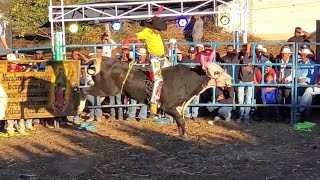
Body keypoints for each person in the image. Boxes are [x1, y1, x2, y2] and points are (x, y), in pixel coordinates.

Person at [122, 15, 169, 114]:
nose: (160, 31)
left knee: (170, 75)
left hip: (162, 58)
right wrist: (128, 39)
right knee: (159, 79)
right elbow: (136, 36)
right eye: (159, 29)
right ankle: (154, 102)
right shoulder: (146, 32)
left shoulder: (154, 32)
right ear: (154, 27)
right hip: (155, 59)